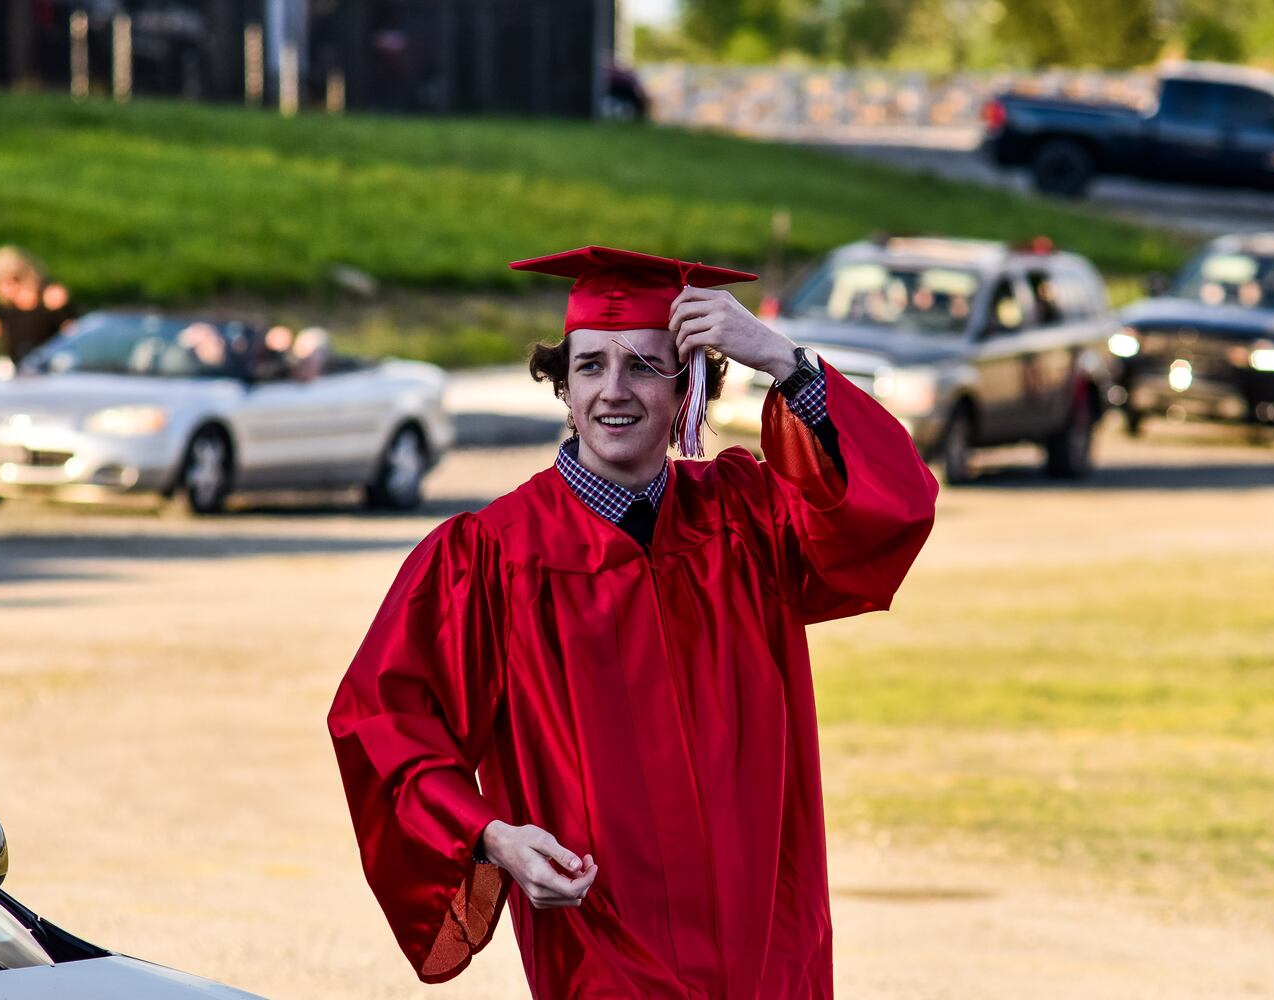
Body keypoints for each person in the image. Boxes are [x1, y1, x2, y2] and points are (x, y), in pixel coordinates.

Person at [327, 246, 937, 998]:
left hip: (768, 944)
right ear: (562, 385)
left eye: (645, 366)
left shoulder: (746, 519)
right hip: (606, 945)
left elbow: (889, 510)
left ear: (689, 389)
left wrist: (786, 363)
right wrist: (492, 838)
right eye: (589, 367)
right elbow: (385, 723)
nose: (612, 391)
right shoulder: (490, 558)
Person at [0, 246, 76, 369]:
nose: (0, 289)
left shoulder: (51, 297)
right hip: (18, 369)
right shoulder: (7, 308)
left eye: (3, 282)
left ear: (19, 278)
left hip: (50, 368)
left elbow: (72, 331)